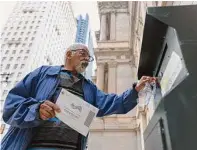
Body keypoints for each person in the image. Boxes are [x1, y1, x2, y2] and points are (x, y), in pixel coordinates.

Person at [1, 43, 156, 150]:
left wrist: (136, 89)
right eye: (83, 54)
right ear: (68, 54)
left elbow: (112, 103)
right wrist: (36, 109)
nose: (87, 60)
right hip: (33, 146)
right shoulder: (43, 74)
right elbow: (11, 105)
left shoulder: (89, 88)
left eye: (89, 58)